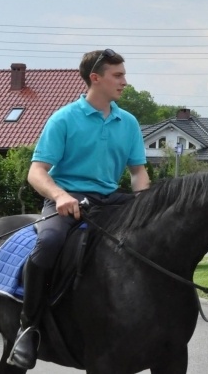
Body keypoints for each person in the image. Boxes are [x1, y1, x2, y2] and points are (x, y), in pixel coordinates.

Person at [8, 49, 150, 370]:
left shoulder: (127, 122)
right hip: (66, 200)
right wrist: (59, 196)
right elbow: (37, 171)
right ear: (95, 78)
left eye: (124, 74)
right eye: (118, 75)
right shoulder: (63, 119)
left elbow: (138, 173)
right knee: (49, 245)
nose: (125, 82)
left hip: (111, 201)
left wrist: (147, 203)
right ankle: (27, 329)